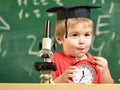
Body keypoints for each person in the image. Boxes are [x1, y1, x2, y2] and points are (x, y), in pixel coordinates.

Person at [46, 5, 114, 83]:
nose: (82, 41)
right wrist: (60, 81)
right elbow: (46, 86)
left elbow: (110, 87)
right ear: (59, 39)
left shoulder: (97, 64)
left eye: (87, 35)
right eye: (75, 35)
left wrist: (105, 73)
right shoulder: (52, 61)